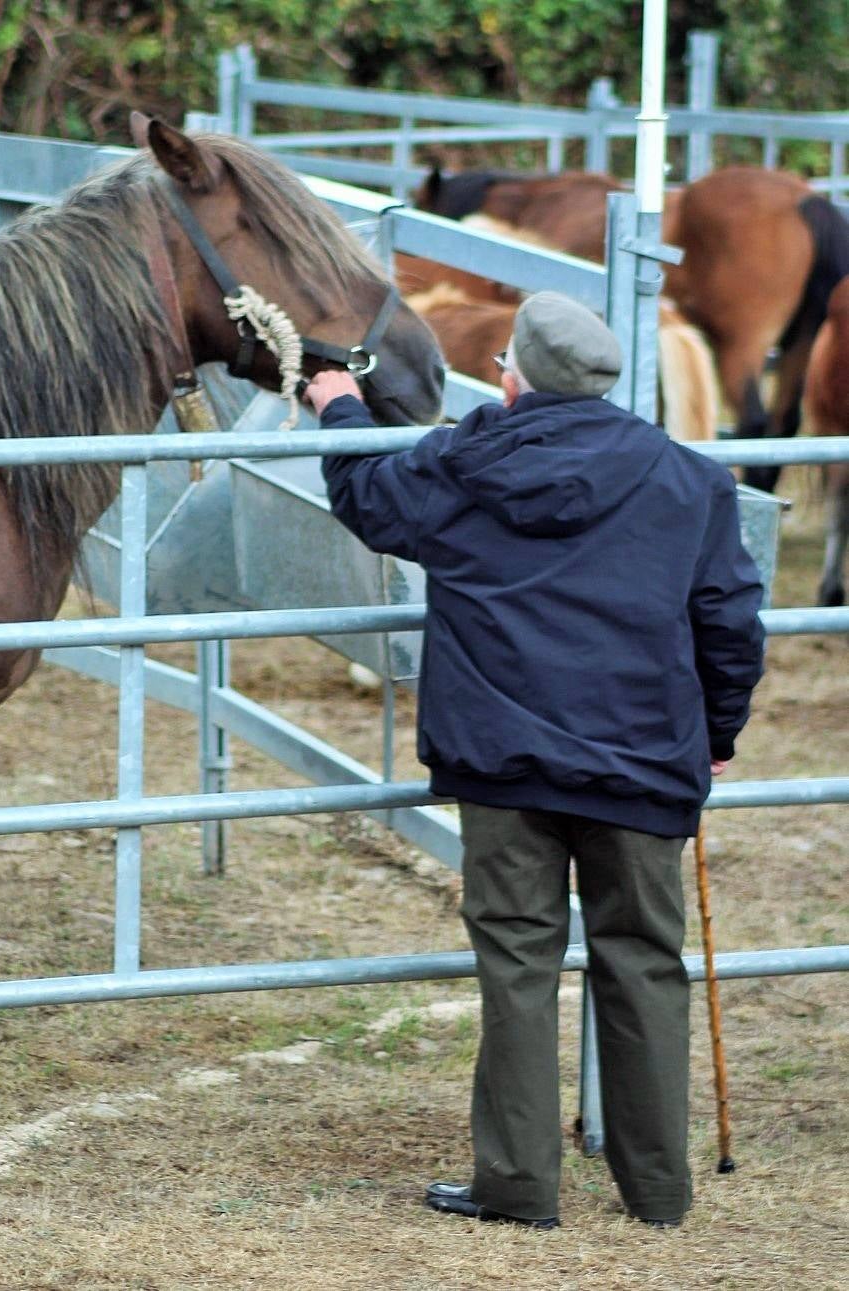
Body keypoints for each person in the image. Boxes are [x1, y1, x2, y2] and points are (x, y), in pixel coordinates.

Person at [303, 291, 765, 1231]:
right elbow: (728, 623)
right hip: (641, 762)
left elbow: (367, 500)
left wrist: (335, 406)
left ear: (513, 375)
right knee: (643, 961)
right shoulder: (691, 481)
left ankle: (516, 1185)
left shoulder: (462, 464)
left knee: (517, 963)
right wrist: (717, 732)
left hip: (504, 766)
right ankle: (659, 1190)